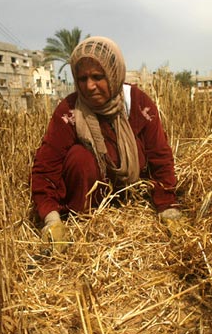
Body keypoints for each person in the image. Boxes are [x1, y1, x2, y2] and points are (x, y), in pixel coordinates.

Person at [30, 36, 182, 249]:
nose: (89, 86)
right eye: (82, 79)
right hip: (88, 208)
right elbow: (46, 166)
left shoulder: (137, 103)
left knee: (138, 150)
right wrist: (51, 218)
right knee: (79, 158)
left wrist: (167, 206)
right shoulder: (70, 111)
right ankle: (83, 218)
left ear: (114, 74)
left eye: (97, 77)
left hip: (133, 196)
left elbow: (160, 156)